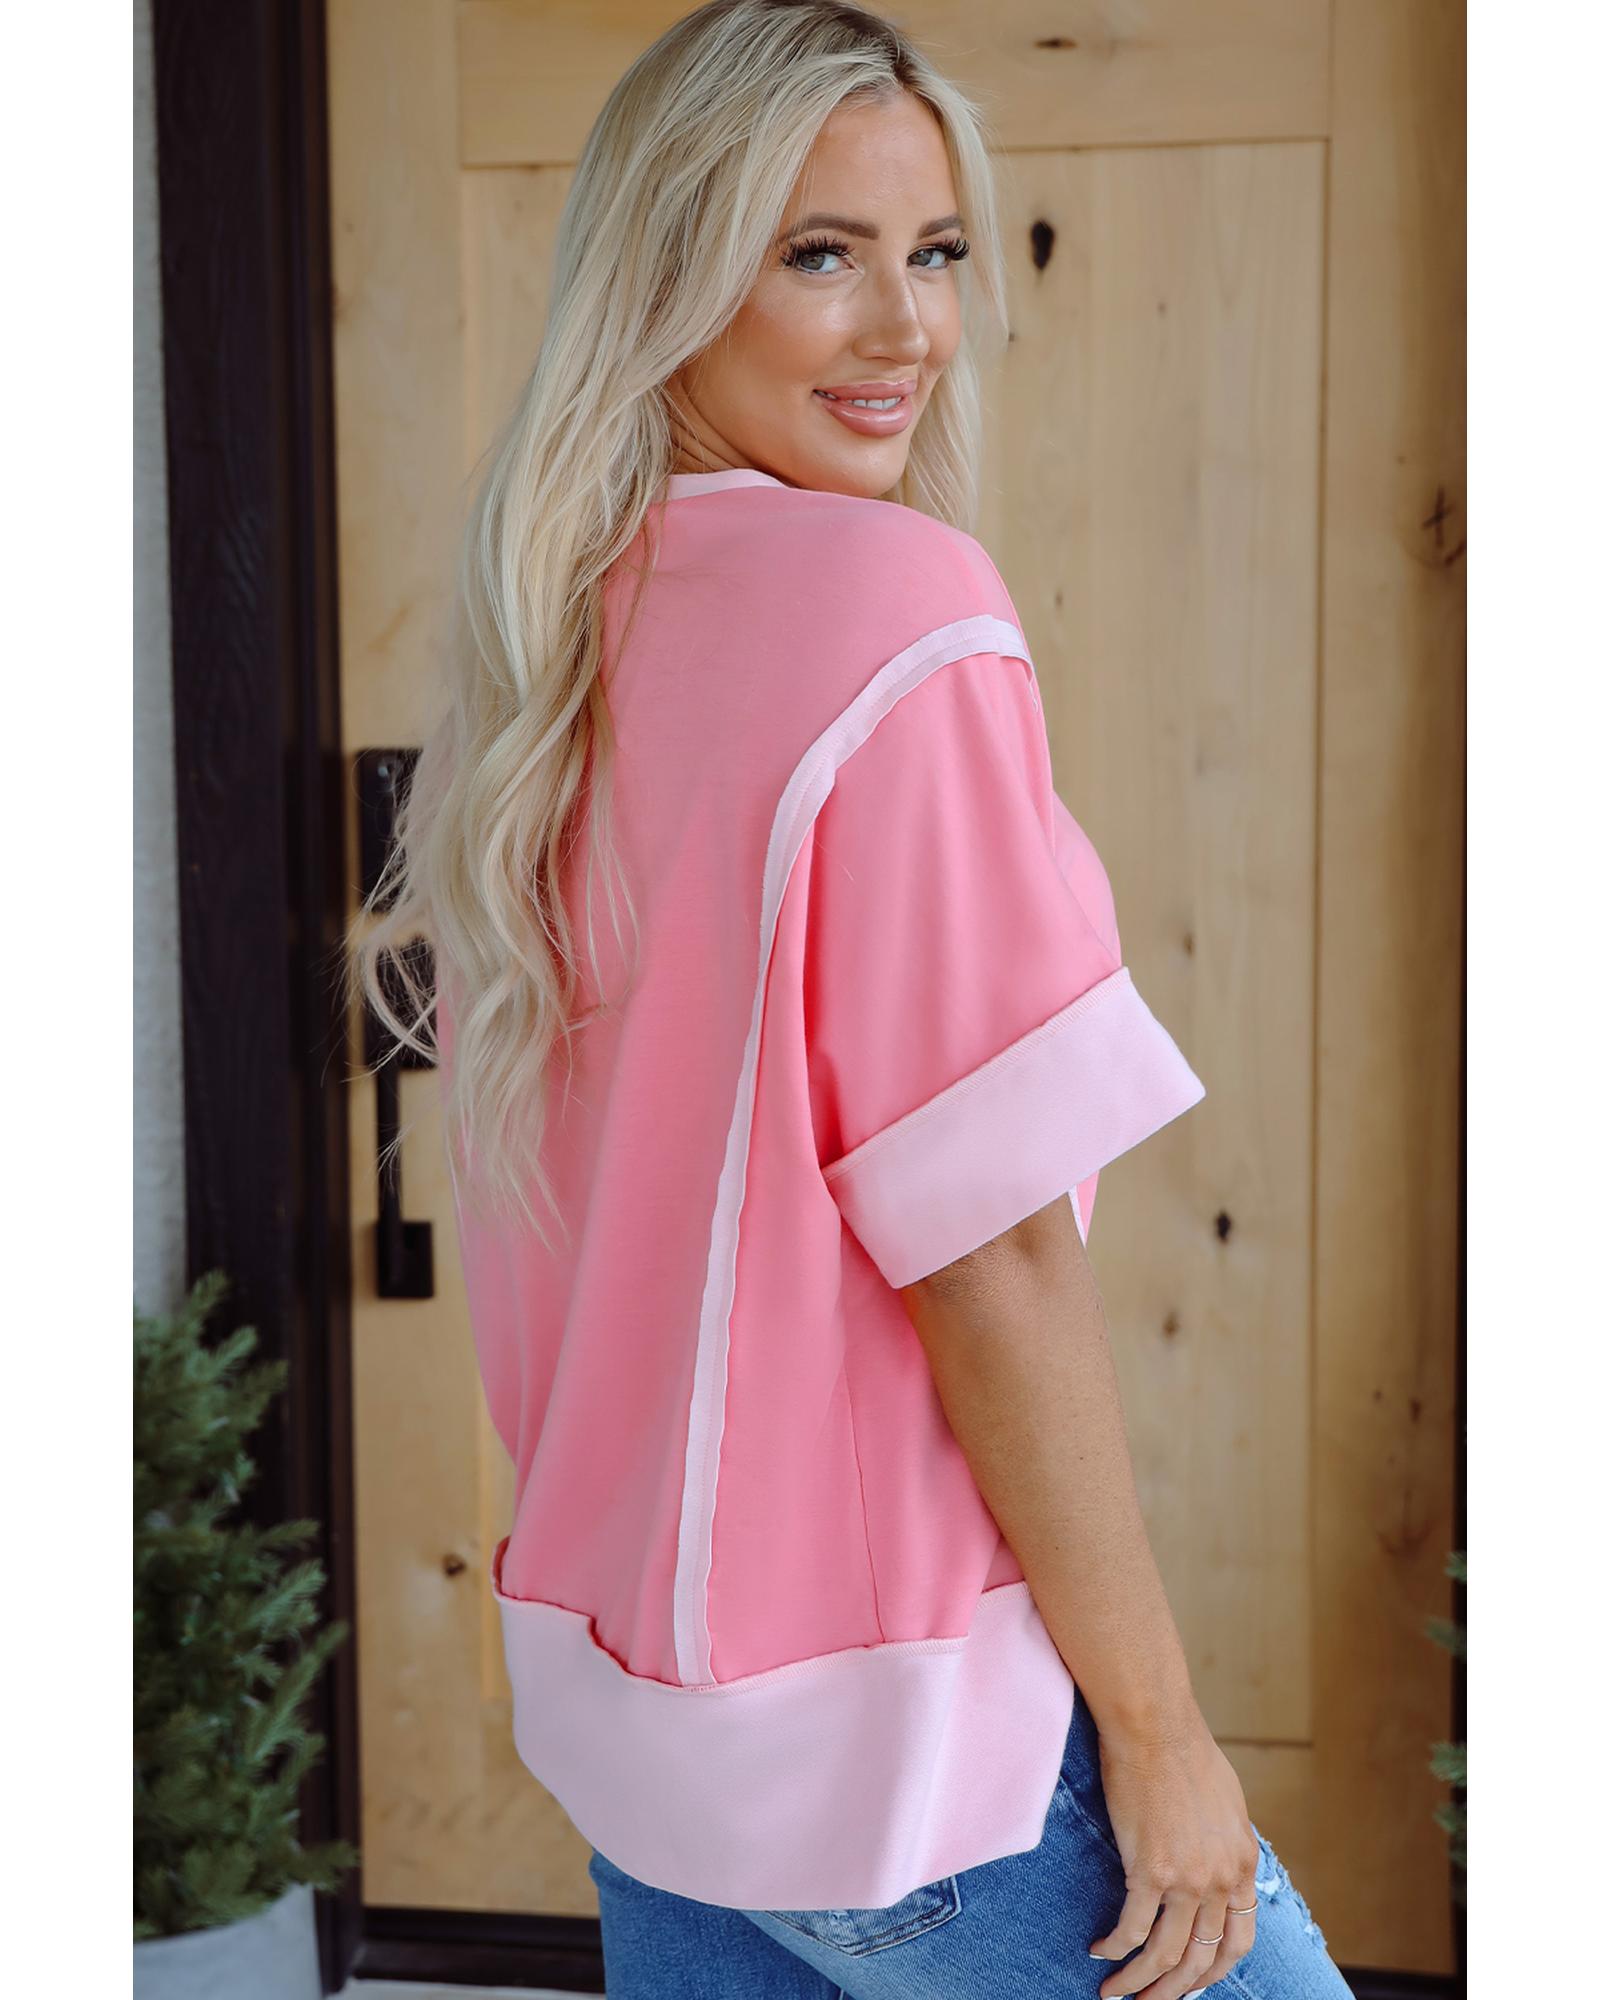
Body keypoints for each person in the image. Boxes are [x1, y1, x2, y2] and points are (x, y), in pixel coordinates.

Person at [347, 2, 1357, 1994]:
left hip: (655, 1750)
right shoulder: (895, 612)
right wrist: (1159, 1734)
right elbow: (988, 1256)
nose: (907, 325)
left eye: (936, 251)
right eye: (819, 253)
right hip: (918, 1765)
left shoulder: (546, 640)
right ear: (668, 273)